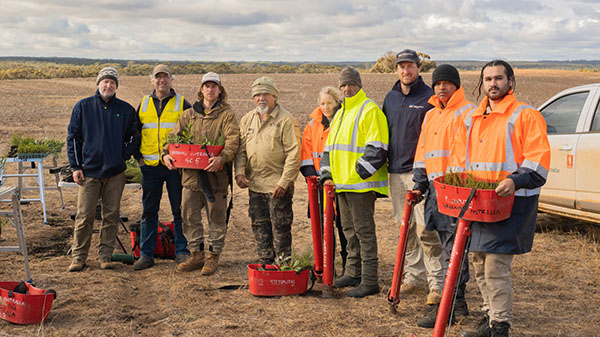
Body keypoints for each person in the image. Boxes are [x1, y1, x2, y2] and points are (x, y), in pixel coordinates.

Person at [449, 60, 551, 337]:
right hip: (479, 203)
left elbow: (538, 161)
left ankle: (499, 326)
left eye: (498, 78)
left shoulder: (525, 115)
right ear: (482, 84)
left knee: (495, 265)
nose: (492, 84)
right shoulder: (470, 118)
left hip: (512, 202)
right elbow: (459, 162)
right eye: (487, 79)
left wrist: (514, 180)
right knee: (480, 261)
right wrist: (454, 186)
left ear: (510, 82)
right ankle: (489, 316)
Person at [411, 64, 475, 328]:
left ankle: (450, 307)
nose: (442, 87)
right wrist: (419, 183)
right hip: (436, 192)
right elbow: (423, 152)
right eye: (438, 83)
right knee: (447, 249)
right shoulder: (431, 115)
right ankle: (456, 306)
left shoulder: (467, 112)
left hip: (457, 191)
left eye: (447, 82)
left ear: (457, 85)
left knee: (454, 249)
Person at [382, 49, 444, 305]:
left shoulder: (430, 97)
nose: (405, 71)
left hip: (421, 175)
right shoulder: (391, 98)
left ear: (419, 68)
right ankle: (414, 276)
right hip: (396, 173)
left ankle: (436, 283)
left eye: (410, 66)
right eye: (401, 67)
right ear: (396, 70)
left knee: (426, 231)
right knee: (405, 230)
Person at [320, 67, 389, 298]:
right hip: (341, 185)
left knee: (364, 232)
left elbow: (377, 148)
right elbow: (329, 149)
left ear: (359, 85)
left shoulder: (369, 110)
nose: (347, 89)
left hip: (361, 186)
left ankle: (369, 280)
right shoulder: (339, 114)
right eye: (343, 85)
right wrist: (327, 175)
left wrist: (356, 174)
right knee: (349, 231)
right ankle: (353, 272)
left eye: (351, 84)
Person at [163, 72, 239, 275]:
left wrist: (221, 159)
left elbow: (233, 141)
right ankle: (196, 254)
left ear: (220, 90)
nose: (210, 89)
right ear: (201, 89)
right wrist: (166, 155)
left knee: (216, 218)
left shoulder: (226, 114)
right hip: (190, 178)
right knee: (189, 216)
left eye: (214, 86)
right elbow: (172, 139)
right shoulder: (189, 114)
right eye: (207, 86)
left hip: (216, 179)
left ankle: (213, 256)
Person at [66, 67, 138, 272]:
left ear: (116, 86)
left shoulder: (125, 110)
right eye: (105, 81)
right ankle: (79, 257)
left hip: (115, 173)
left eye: (112, 82)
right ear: (98, 84)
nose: (108, 85)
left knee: (111, 215)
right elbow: (74, 138)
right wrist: (76, 166)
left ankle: (105, 256)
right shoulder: (83, 107)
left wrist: (122, 156)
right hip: (89, 172)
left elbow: (134, 136)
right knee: (84, 216)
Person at [235, 76, 301, 264]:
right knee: (259, 225)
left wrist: (284, 182)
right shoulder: (248, 119)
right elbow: (241, 150)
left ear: (274, 96)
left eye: (265, 94)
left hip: (277, 186)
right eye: (257, 95)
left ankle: (283, 266)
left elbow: (294, 154)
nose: (261, 98)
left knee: (280, 227)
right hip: (255, 184)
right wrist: (239, 172)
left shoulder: (287, 120)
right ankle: (265, 263)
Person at [133, 64, 191, 271]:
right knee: (149, 211)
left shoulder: (182, 103)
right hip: (150, 167)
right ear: (152, 80)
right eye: (157, 77)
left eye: (165, 77)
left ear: (171, 80)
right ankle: (146, 254)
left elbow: (190, 133)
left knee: (179, 209)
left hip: (175, 166)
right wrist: (138, 158)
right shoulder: (144, 103)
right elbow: (135, 131)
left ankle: (182, 251)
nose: (161, 81)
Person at [300, 86, 347, 274]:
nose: (325, 107)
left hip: (341, 185)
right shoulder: (312, 126)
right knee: (321, 230)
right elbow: (306, 156)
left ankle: (348, 269)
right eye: (322, 103)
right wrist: (315, 178)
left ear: (337, 103)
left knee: (345, 229)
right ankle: (326, 269)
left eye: (329, 103)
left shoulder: (345, 122)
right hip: (318, 187)